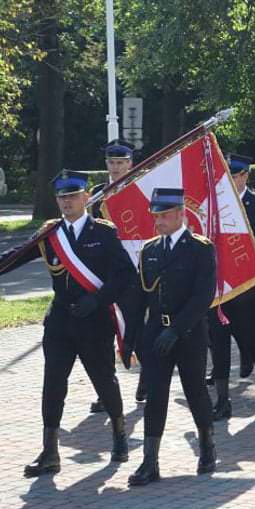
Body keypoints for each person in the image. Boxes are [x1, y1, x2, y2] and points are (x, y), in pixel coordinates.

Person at [0, 170, 135, 475]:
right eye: (61, 197)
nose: (66, 202)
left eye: (72, 195)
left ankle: (119, 435)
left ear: (86, 197)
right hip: (60, 321)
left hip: (94, 321)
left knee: (103, 379)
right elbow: (17, 255)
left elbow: (125, 275)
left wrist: (98, 299)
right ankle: (50, 451)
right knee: (53, 384)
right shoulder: (50, 233)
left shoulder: (104, 233)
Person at [127, 188, 217, 486]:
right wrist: (130, 339)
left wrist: (177, 329)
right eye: (157, 216)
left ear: (181, 214)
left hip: (188, 332)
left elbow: (203, 295)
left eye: (165, 215)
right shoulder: (150, 249)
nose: (160, 221)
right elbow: (140, 297)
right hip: (156, 332)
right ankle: (150, 462)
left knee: (195, 391)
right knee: (155, 394)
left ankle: (207, 447)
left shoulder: (200, 248)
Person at [208, 154, 255, 420]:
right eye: (225, 177)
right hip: (218, 286)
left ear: (245, 176)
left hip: (247, 284)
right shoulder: (213, 204)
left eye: (234, 176)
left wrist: (254, 278)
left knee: (249, 336)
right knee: (219, 339)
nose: (229, 181)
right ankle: (223, 400)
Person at [89, 139, 144, 410]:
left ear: (130, 163)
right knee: (104, 333)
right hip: (104, 273)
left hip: (133, 272)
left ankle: (147, 378)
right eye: (112, 162)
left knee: (135, 327)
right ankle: (106, 391)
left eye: (121, 162)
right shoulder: (97, 194)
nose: (116, 167)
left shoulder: (139, 190)